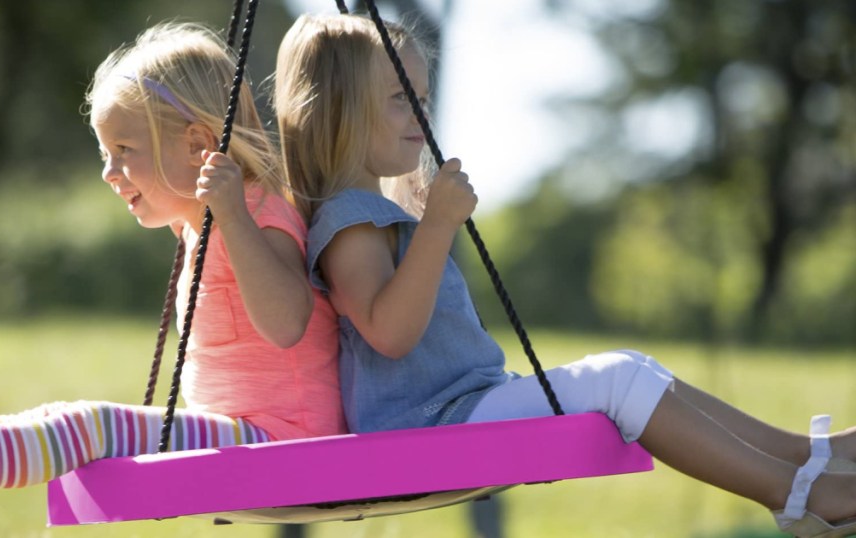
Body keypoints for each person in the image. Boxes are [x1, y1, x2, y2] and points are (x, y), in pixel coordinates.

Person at [273, 13, 856, 537]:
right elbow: (389, 332)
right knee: (620, 377)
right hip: (424, 428)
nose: (420, 115)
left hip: (457, 410)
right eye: (402, 98)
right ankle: (798, 494)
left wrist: (427, 224)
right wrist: (438, 228)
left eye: (423, 98)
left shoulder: (375, 212)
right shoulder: (349, 219)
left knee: (636, 368)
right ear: (340, 108)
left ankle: (807, 455)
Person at [0, 21, 345, 506]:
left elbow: (285, 325)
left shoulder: (257, 213)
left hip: (283, 442)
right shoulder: (207, 225)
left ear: (196, 146)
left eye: (124, 149)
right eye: (105, 152)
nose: (108, 171)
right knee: (57, 420)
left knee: (85, 428)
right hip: (245, 435)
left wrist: (232, 219)